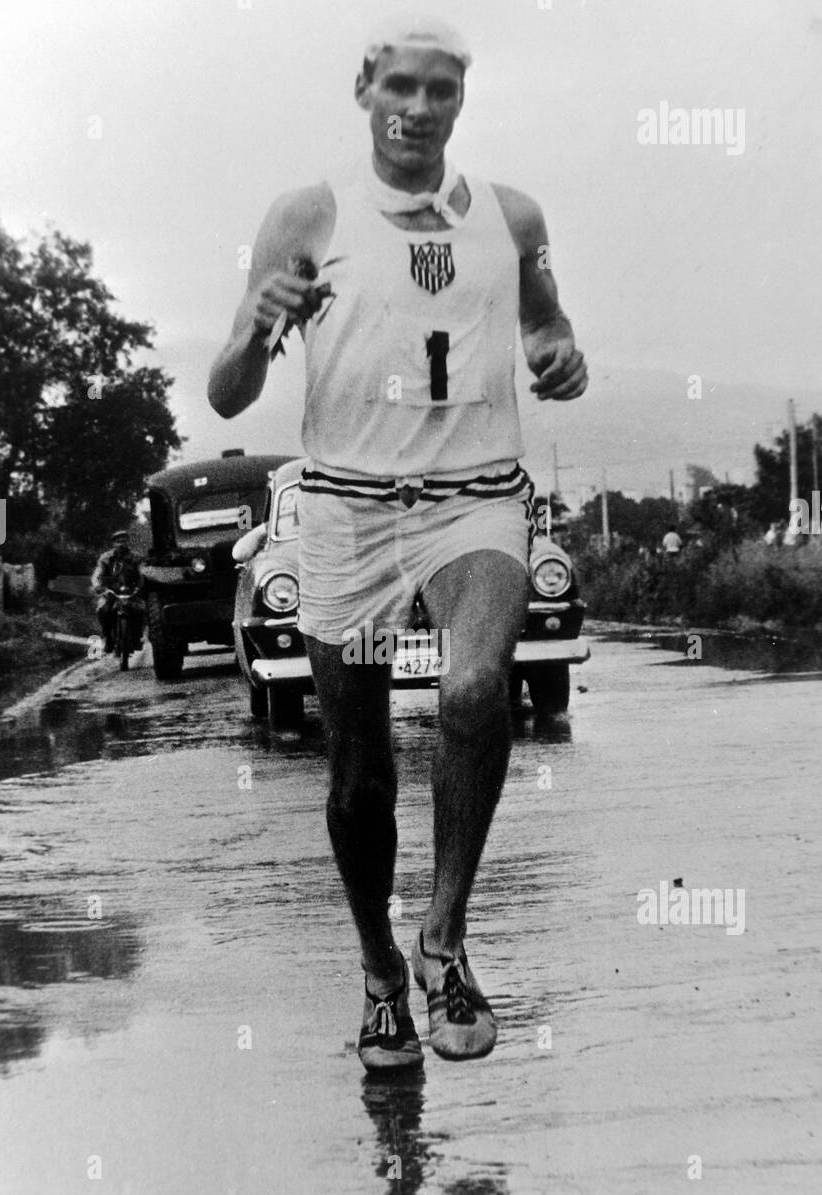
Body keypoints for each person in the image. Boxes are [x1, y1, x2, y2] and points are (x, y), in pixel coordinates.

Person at [208, 15, 587, 1069]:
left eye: (441, 91)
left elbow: (547, 325)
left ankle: (445, 938)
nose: (419, 109)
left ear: (460, 101)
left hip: (472, 500)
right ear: (364, 88)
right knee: (359, 774)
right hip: (346, 510)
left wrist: (559, 354)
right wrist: (256, 325)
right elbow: (227, 386)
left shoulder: (511, 217)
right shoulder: (307, 211)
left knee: (473, 693)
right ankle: (380, 971)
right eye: (401, 88)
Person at [92, 530, 145, 654]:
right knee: (101, 610)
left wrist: (140, 587)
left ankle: (137, 637)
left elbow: (142, 573)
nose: (121, 544)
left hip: (132, 592)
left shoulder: (137, 558)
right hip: (111, 592)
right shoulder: (105, 558)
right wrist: (97, 586)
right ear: (113, 544)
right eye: (118, 541)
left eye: (123, 541)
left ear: (128, 541)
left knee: (141, 610)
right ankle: (108, 638)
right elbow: (97, 574)